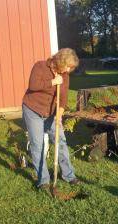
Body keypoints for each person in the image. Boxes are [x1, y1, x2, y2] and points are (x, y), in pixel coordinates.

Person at [22, 48, 80, 189]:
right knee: (38, 145)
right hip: (33, 110)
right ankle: (44, 180)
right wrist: (53, 82)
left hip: (52, 113)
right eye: (68, 66)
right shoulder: (40, 66)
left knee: (61, 142)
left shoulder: (64, 76)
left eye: (71, 68)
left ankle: (68, 175)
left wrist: (58, 117)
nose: (68, 70)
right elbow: (33, 85)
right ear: (60, 61)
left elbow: (64, 99)